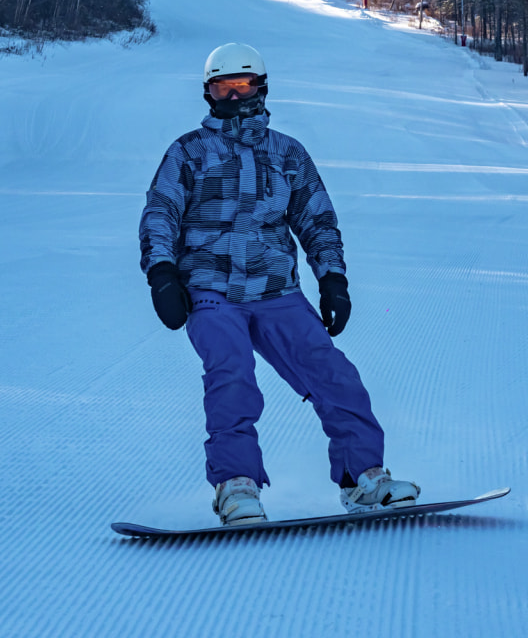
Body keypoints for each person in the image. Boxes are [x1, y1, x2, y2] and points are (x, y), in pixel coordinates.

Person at [138, 43, 420, 525]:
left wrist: (332, 277)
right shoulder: (189, 152)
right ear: (207, 93)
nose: (231, 95)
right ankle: (236, 486)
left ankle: (364, 478)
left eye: (241, 86)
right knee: (232, 375)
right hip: (210, 290)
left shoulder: (287, 153)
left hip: (276, 291)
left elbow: (317, 219)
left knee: (333, 373)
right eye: (220, 87)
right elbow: (161, 212)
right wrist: (161, 273)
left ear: (260, 88)